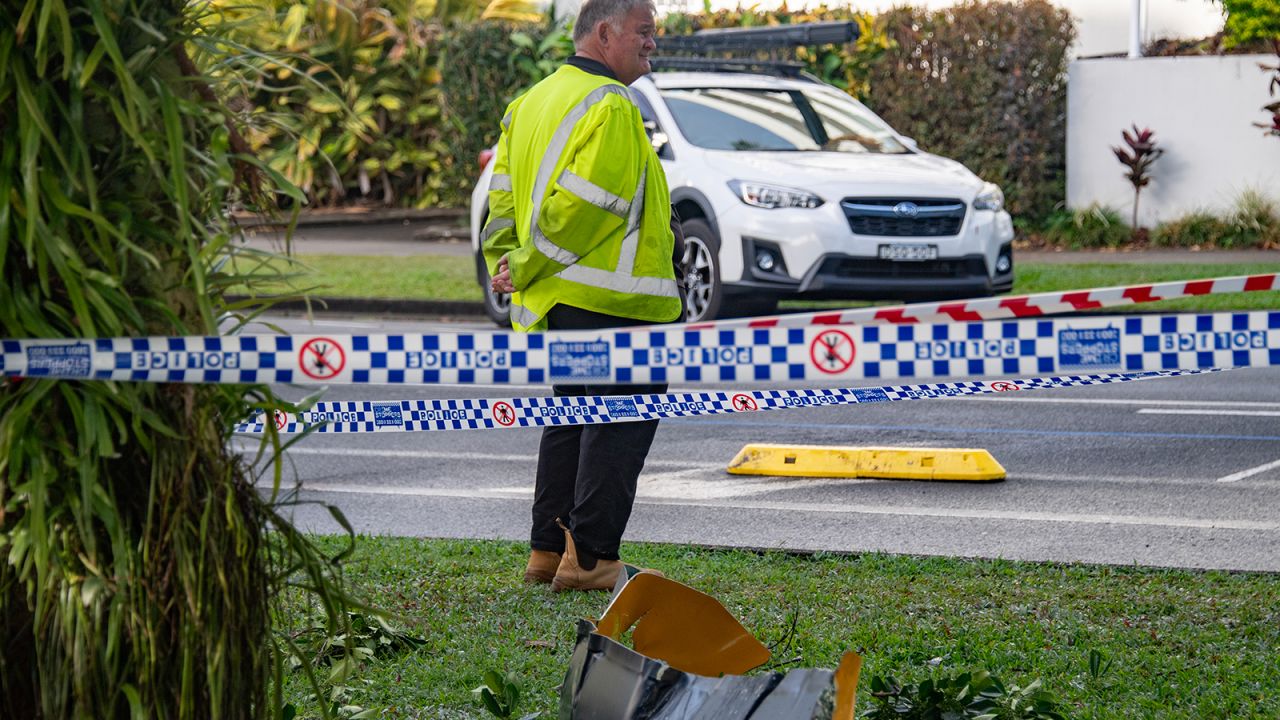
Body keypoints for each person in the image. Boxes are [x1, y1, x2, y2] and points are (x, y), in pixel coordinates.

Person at [481, 0, 681, 592]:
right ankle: (592, 558)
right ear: (604, 33)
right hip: (616, 300)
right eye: (644, 32)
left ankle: (549, 551)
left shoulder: (531, 102)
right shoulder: (612, 105)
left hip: (561, 300)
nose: (652, 44)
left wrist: (511, 261)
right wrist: (527, 261)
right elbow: (593, 204)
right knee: (619, 418)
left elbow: (503, 200)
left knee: (570, 418)